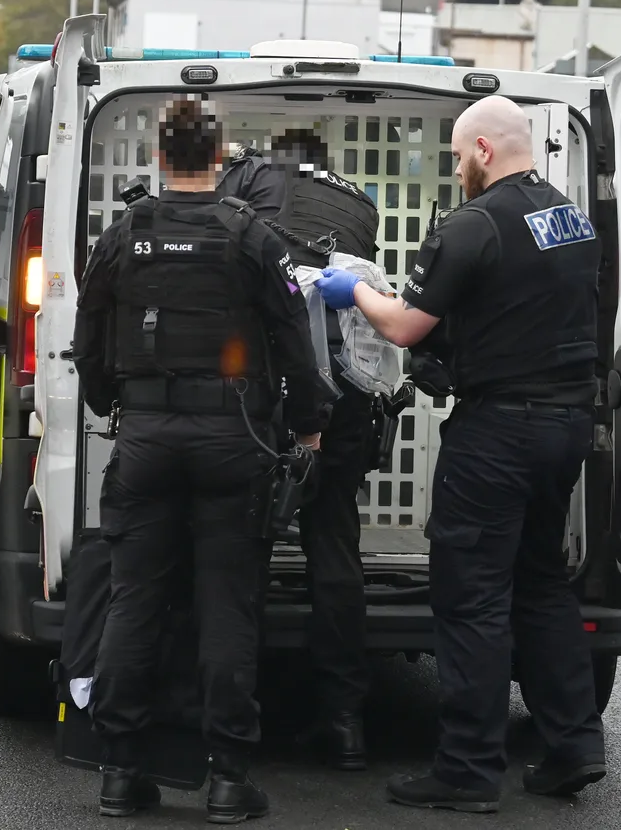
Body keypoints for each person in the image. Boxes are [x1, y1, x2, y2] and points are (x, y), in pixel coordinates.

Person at [315, 95, 606, 811]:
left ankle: (468, 771)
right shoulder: (571, 220)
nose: (455, 173)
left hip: (499, 431)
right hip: (564, 426)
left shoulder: (472, 226)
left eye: (455, 158)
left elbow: (408, 327)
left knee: (470, 597)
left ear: (482, 149)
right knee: (539, 583)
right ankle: (574, 745)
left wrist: (353, 289)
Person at [73, 98, 330, 822]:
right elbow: (294, 341)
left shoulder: (124, 233)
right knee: (228, 607)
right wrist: (307, 430)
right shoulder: (253, 237)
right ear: (219, 159)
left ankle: (121, 772)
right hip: (231, 444)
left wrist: (110, 403)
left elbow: (89, 337)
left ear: (158, 156)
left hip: (147, 438)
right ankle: (226, 781)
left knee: (134, 601)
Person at [219, 129, 379, 770]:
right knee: (334, 545)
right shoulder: (359, 201)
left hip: (272, 387)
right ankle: (346, 723)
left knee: (244, 549)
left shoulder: (251, 179)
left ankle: (239, 722)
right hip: (346, 391)